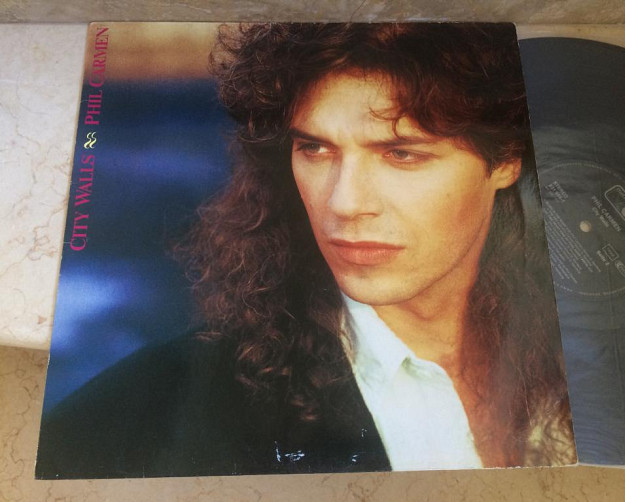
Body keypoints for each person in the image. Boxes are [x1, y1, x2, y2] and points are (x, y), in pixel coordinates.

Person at [36, 23, 575, 479]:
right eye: (315, 148)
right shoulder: (140, 418)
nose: (345, 203)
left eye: (401, 153)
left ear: (506, 159)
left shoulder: (586, 347)